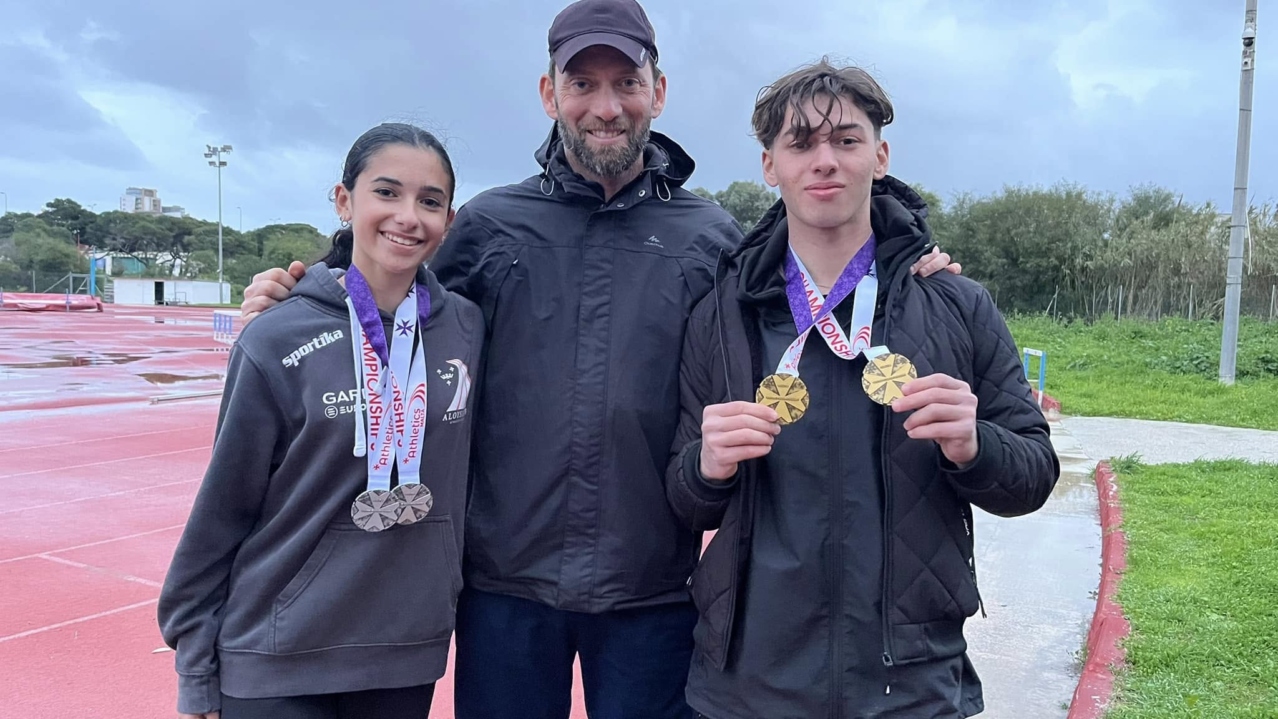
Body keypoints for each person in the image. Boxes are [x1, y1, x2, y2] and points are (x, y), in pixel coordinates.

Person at [237, 3, 956, 717]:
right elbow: (391, 291)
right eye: (583, 84)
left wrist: (904, 255)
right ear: (551, 94)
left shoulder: (709, 236)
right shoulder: (489, 225)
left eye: (626, 83)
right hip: (503, 590)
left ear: (659, 91)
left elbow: (810, 277)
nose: (605, 106)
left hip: (652, 592)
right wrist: (310, 291)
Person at [664, 59, 1061, 719]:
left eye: (846, 140)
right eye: (801, 143)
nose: (825, 160)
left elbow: (1033, 475)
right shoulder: (723, 313)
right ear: (771, 166)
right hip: (750, 686)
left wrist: (975, 446)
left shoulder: (956, 305)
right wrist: (706, 466)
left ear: (879, 156)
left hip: (910, 687)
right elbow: (683, 499)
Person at [158, 122, 485, 719]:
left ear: (449, 220)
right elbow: (223, 508)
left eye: (429, 201)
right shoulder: (275, 337)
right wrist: (196, 671)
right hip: (277, 652)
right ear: (344, 200)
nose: (408, 216)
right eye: (386, 193)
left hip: (403, 653)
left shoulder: (467, 326)